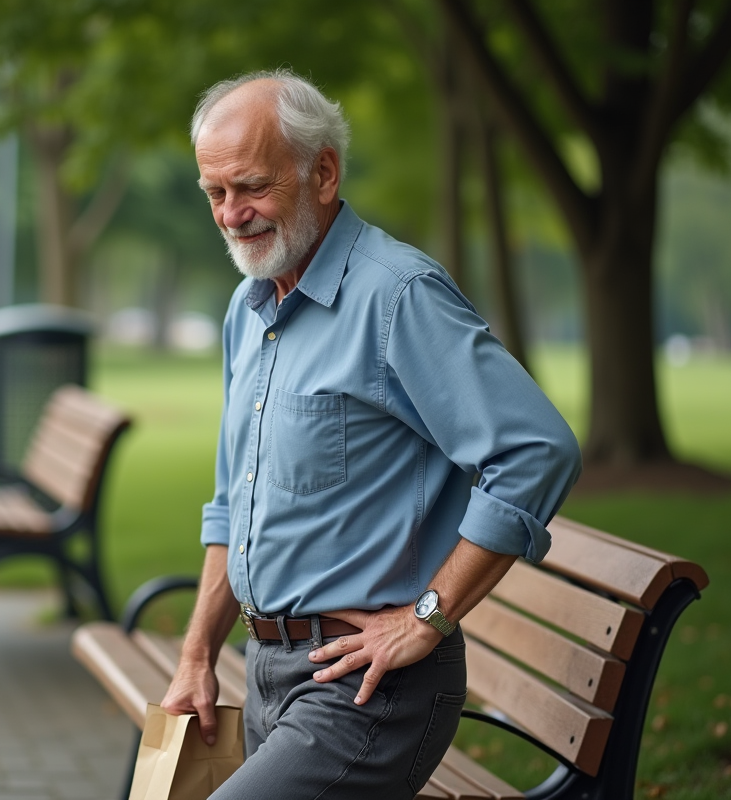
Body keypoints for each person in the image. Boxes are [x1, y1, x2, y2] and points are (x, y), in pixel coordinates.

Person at [160, 69, 582, 799]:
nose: (232, 214)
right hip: (267, 674)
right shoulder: (247, 306)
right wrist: (197, 652)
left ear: (322, 172)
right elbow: (235, 504)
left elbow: (535, 450)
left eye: (252, 187)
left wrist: (428, 616)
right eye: (215, 194)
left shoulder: (397, 296)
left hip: (369, 692)